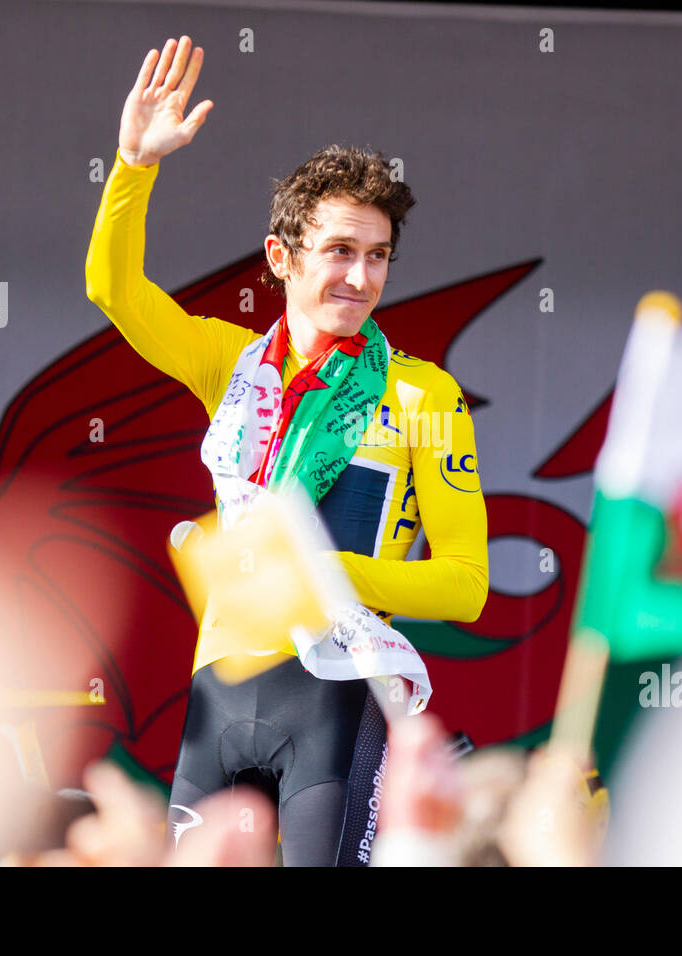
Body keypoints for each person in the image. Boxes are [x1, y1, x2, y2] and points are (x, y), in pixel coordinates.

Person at [85, 35, 489, 866]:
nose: (360, 277)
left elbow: (467, 586)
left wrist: (323, 571)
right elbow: (114, 292)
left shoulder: (424, 394)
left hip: (336, 699)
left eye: (377, 256)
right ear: (281, 257)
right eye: (340, 251)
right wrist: (133, 166)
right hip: (218, 700)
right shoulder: (229, 367)